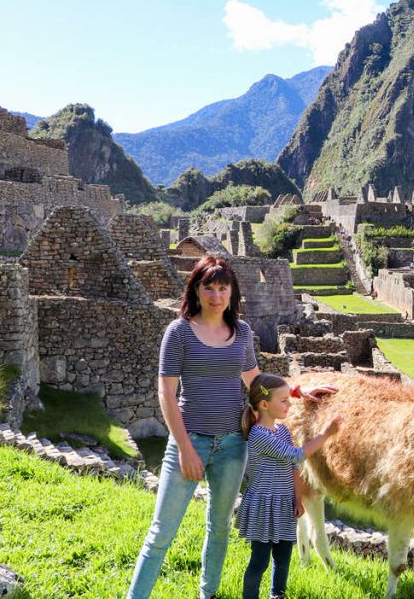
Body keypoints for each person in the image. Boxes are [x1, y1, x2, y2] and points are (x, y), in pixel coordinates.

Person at [127, 255, 335, 599]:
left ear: (231, 291)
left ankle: (207, 594)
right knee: (161, 532)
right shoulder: (178, 332)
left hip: (232, 446)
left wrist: (298, 391)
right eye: (209, 287)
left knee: (219, 527)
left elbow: (256, 383)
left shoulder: (241, 333)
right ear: (196, 289)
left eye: (223, 288)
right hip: (188, 441)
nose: (216, 295)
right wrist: (186, 450)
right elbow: (166, 393)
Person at [237, 373, 341, 599]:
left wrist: (297, 498)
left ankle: (278, 595)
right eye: (283, 400)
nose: (290, 404)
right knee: (260, 560)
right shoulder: (259, 435)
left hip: (283, 503)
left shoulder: (282, 430)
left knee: (283, 556)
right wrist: (325, 435)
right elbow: (295, 454)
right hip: (264, 505)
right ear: (264, 405)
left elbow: (292, 465)